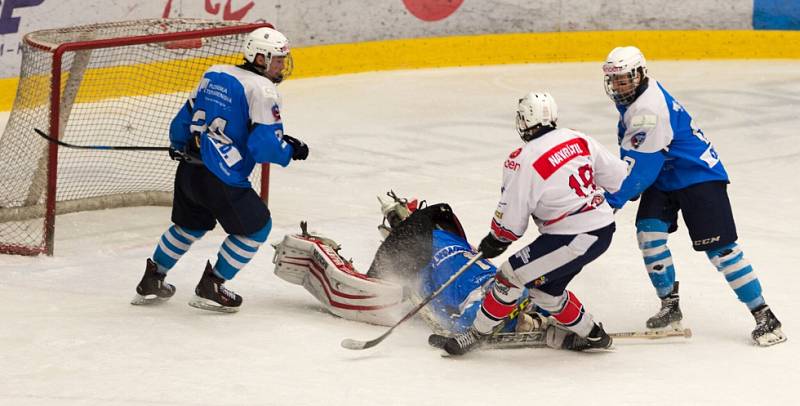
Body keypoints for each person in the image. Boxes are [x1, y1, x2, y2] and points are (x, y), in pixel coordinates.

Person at [601, 46, 785, 346]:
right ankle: (670, 306)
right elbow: (637, 159)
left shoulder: (649, 109)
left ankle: (764, 314)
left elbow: (642, 170)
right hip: (665, 174)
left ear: (641, 75)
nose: (619, 85)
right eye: (615, 80)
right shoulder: (635, 101)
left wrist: (612, 201)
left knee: (722, 251)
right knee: (649, 235)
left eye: (625, 78)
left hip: (698, 175)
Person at [131, 27, 309, 313]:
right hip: (223, 175)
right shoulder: (263, 90)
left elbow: (183, 118)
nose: (281, 66)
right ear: (260, 58)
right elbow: (264, 147)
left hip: (190, 169)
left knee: (190, 226)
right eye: (277, 59)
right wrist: (291, 150)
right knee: (257, 228)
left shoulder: (215, 73)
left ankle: (153, 279)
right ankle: (212, 285)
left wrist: (178, 144)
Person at [442, 92, 628, 355]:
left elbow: (511, 222)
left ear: (525, 120)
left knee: (509, 277)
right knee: (546, 295)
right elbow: (618, 177)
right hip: (600, 230)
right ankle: (594, 336)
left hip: (574, 238)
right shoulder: (577, 137)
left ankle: (476, 333)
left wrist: (496, 239)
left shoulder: (523, 159)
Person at [271, 191, 540, 334]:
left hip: (483, 298)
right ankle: (536, 318)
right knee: (524, 299)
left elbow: (447, 321)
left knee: (469, 322)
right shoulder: (446, 234)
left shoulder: (419, 249)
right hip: (505, 286)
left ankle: (526, 319)